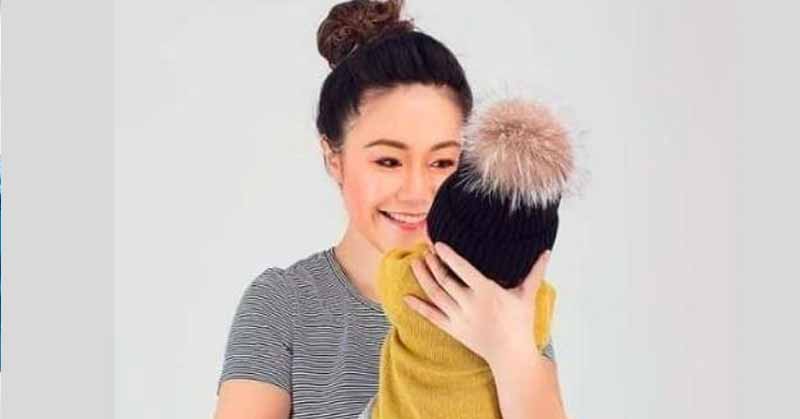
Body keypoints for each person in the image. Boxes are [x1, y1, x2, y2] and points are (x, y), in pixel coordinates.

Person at [213, 1, 566, 418]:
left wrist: (510, 351)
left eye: (442, 162)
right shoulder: (285, 304)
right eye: (388, 161)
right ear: (334, 157)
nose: (418, 192)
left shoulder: (500, 295)